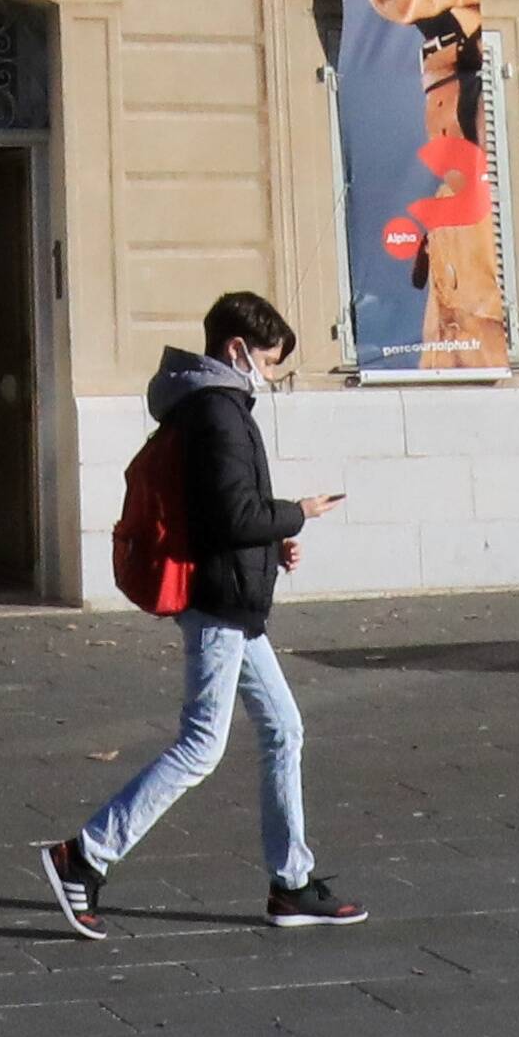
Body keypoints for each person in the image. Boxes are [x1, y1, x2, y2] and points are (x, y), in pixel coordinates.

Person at [43, 291, 368, 934]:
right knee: (199, 747)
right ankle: (82, 856)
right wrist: (297, 513)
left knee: (284, 728)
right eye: (270, 363)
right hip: (219, 605)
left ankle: (292, 883)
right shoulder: (218, 412)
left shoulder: (210, 407)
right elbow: (232, 516)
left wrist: (274, 543)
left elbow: (227, 508)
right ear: (237, 350)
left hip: (234, 602)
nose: (270, 376)